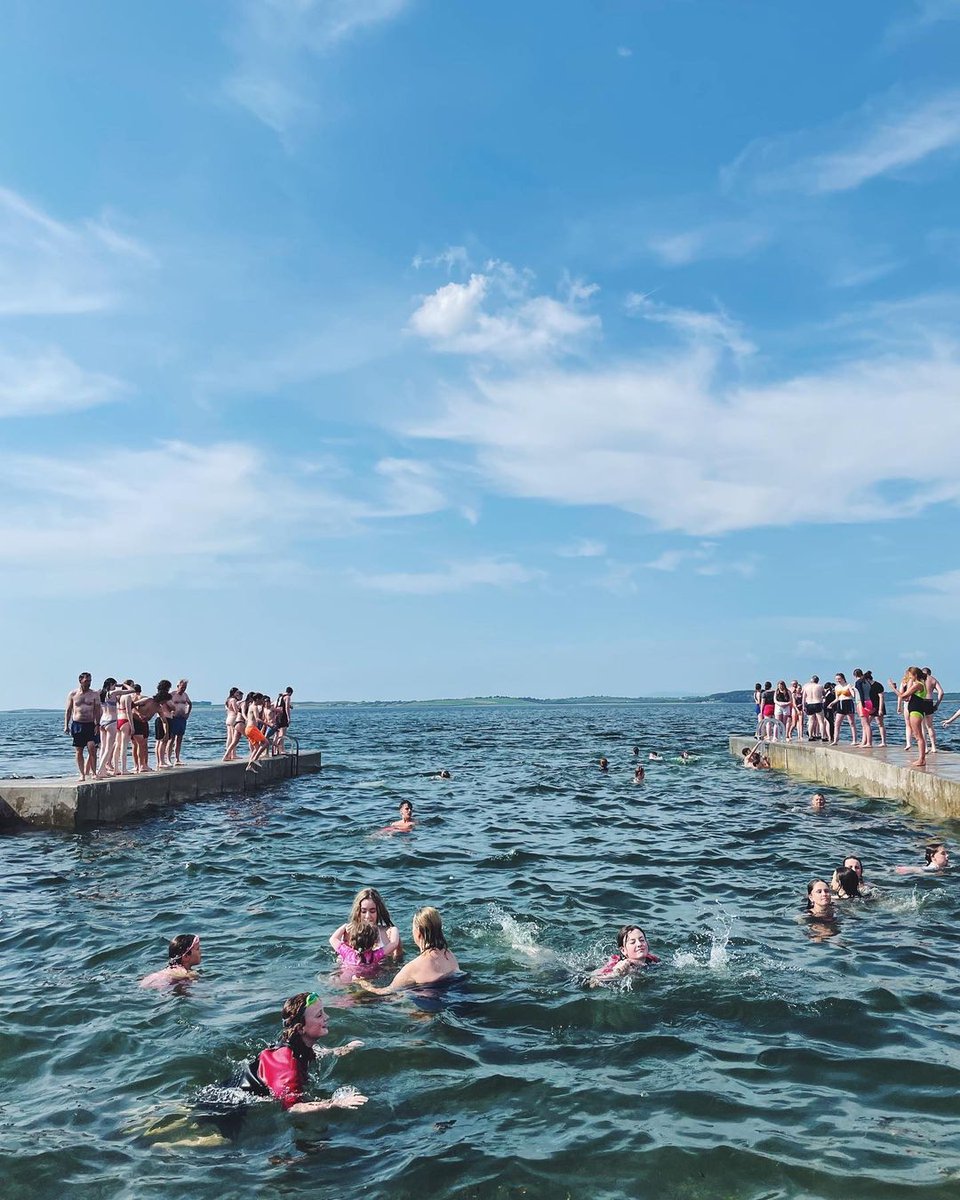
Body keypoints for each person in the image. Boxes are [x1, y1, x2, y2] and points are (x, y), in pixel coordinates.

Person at [238, 993, 366, 1113]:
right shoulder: (287, 1063)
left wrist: (341, 1050)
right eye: (319, 1015)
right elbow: (293, 1107)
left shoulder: (298, 1043)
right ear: (300, 1028)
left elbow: (316, 1052)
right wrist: (335, 1103)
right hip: (232, 1108)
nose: (327, 1017)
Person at [354, 907, 460, 995]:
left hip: (429, 1009)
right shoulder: (450, 955)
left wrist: (364, 984)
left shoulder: (412, 968)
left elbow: (385, 992)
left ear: (418, 933)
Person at [329, 887, 403, 959]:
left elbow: (397, 959)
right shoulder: (348, 932)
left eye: (372, 911)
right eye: (363, 911)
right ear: (358, 912)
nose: (367, 916)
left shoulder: (389, 933)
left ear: (379, 911)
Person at [588, 925, 659, 987]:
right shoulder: (617, 964)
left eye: (642, 940)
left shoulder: (653, 959)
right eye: (632, 942)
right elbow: (593, 981)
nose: (639, 944)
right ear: (623, 950)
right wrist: (617, 974)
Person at [888, 668, 929, 768]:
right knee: (917, 736)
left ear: (915, 675)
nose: (909, 677)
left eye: (910, 675)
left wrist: (892, 688)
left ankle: (922, 759)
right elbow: (906, 698)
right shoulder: (919, 684)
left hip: (916, 712)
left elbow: (902, 696)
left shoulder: (918, 684)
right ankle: (921, 758)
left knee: (919, 737)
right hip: (914, 711)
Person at [64, 671, 101, 780]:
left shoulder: (94, 694)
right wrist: (66, 725)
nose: (88, 683)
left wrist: (97, 724)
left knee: (92, 748)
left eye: (90, 681)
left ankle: (94, 773)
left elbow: (97, 710)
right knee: (79, 750)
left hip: (90, 724)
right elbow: (68, 710)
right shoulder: (73, 694)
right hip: (77, 724)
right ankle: (82, 774)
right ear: (80, 681)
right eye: (86, 681)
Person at [169, 679, 192, 766]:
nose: (183, 689)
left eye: (185, 687)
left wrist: (187, 714)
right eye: (182, 687)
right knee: (171, 738)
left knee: (179, 739)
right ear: (178, 686)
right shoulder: (172, 694)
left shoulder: (185, 695)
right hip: (174, 718)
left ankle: (177, 758)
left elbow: (190, 703)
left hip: (182, 718)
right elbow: (165, 704)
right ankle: (168, 758)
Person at [831, 673, 857, 745]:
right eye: (836, 679)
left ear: (843, 678)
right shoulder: (836, 687)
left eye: (839, 679)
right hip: (840, 704)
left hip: (848, 703)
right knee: (837, 723)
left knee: (851, 722)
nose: (838, 680)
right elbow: (837, 698)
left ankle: (854, 740)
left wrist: (853, 690)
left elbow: (853, 695)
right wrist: (831, 703)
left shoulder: (848, 685)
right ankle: (835, 740)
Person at [223, 687, 244, 761]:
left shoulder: (227, 700)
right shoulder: (233, 700)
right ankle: (233, 754)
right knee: (234, 738)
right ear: (234, 693)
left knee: (229, 737)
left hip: (228, 718)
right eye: (237, 692)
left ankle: (229, 754)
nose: (238, 694)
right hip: (233, 718)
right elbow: (236, 710)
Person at [802, 676, 825, 741]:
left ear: (811, 680)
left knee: (811, 721)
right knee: (821, 722)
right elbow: (824, 694)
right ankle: (823, 736)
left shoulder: (806, 687)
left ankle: (810, 736)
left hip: (809, 704)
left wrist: (803, 706)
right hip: (817, 703)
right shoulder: (820, 686)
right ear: (817, 681)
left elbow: (803, 698)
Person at [272, 686, 293, 755]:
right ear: (290, 693)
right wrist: (288, 717)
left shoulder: (280, 697)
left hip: (277, 716)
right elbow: (286, 707)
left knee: (276, 734)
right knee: (282, 734)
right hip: (283, 716)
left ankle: (275, 750)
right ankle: (281, 749)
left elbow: (276, 705)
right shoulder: (287, 697)